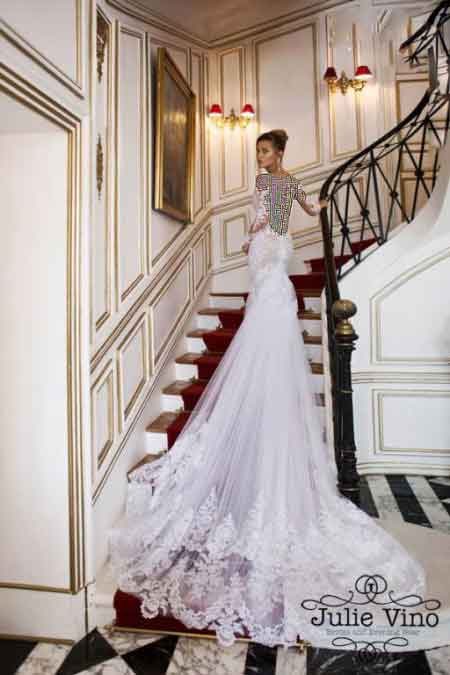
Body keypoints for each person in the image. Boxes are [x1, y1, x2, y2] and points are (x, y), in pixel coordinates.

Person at [107, 129, 427, 650]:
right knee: (270, 311)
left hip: (268, 251)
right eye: (257, 151)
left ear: (278, 153)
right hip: (273, 254)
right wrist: (313, 209)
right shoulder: (286, 181)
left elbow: (269, 216)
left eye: (264, 151)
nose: (259, 157)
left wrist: (255, 232)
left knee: (269, 310)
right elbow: (306, 209)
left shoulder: (268, 182)